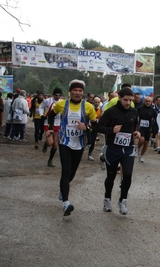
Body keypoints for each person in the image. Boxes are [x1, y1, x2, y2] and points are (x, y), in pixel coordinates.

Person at [47, 79, 97, 216]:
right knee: (66, 170)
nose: (77, 93)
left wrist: (86, 127)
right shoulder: (61, 104)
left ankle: (63, 190)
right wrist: (50, 129)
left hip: (79, 143)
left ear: (83, 93)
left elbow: (95, 126)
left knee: (72, 173)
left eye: (80, 91)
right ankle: (66, 203)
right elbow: (50, 116)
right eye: (75, 90)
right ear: (70, 92)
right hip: (65, 141)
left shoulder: (88, 107)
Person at [96, 88, 140, 215]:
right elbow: (99, 127)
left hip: (128, 148)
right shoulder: (111, 112)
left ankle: (123, 200)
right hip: (113, 148)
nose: (128, 103)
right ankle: (107, 199)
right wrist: (111, 130)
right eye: (125, 100)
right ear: (119, 98)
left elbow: (135, 125)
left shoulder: (134, 111)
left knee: (127, 174)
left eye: (130, 100)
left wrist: (136, 133)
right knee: (111, 176)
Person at [39, 87, 63, 167]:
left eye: (59, 95)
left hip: (57, 123)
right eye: (56, 95)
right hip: (48, 123)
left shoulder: (62, 102)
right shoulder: (48, 100)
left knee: (55, 144)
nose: (58, 97)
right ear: (53, 94)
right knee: (50, 143)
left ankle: (50, 160)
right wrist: (42, 115)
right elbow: (40, 107)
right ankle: (46, 143)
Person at [137, 96, 158, 163]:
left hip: (148, 128)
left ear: (151, 102)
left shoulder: (153, 110)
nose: (148, 102)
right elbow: (135, 116)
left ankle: (141, 156)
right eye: (146, 101)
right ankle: (138, 149)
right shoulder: (140, 109)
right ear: (144, 101)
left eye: (149, 101)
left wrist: (156, 128)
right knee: (141, 139)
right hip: (140, 127)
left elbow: (157, 119)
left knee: (146, 143)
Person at [86, 96, 102, 161]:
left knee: (93, 141)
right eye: (96, 102)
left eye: (98, 102)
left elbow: (100, 118)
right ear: (93, 101)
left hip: (95, 127)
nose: (97, 103)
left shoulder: (100, 110)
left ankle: (90, 155)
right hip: (88, 126)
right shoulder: (90, 108)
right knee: (89, 140)